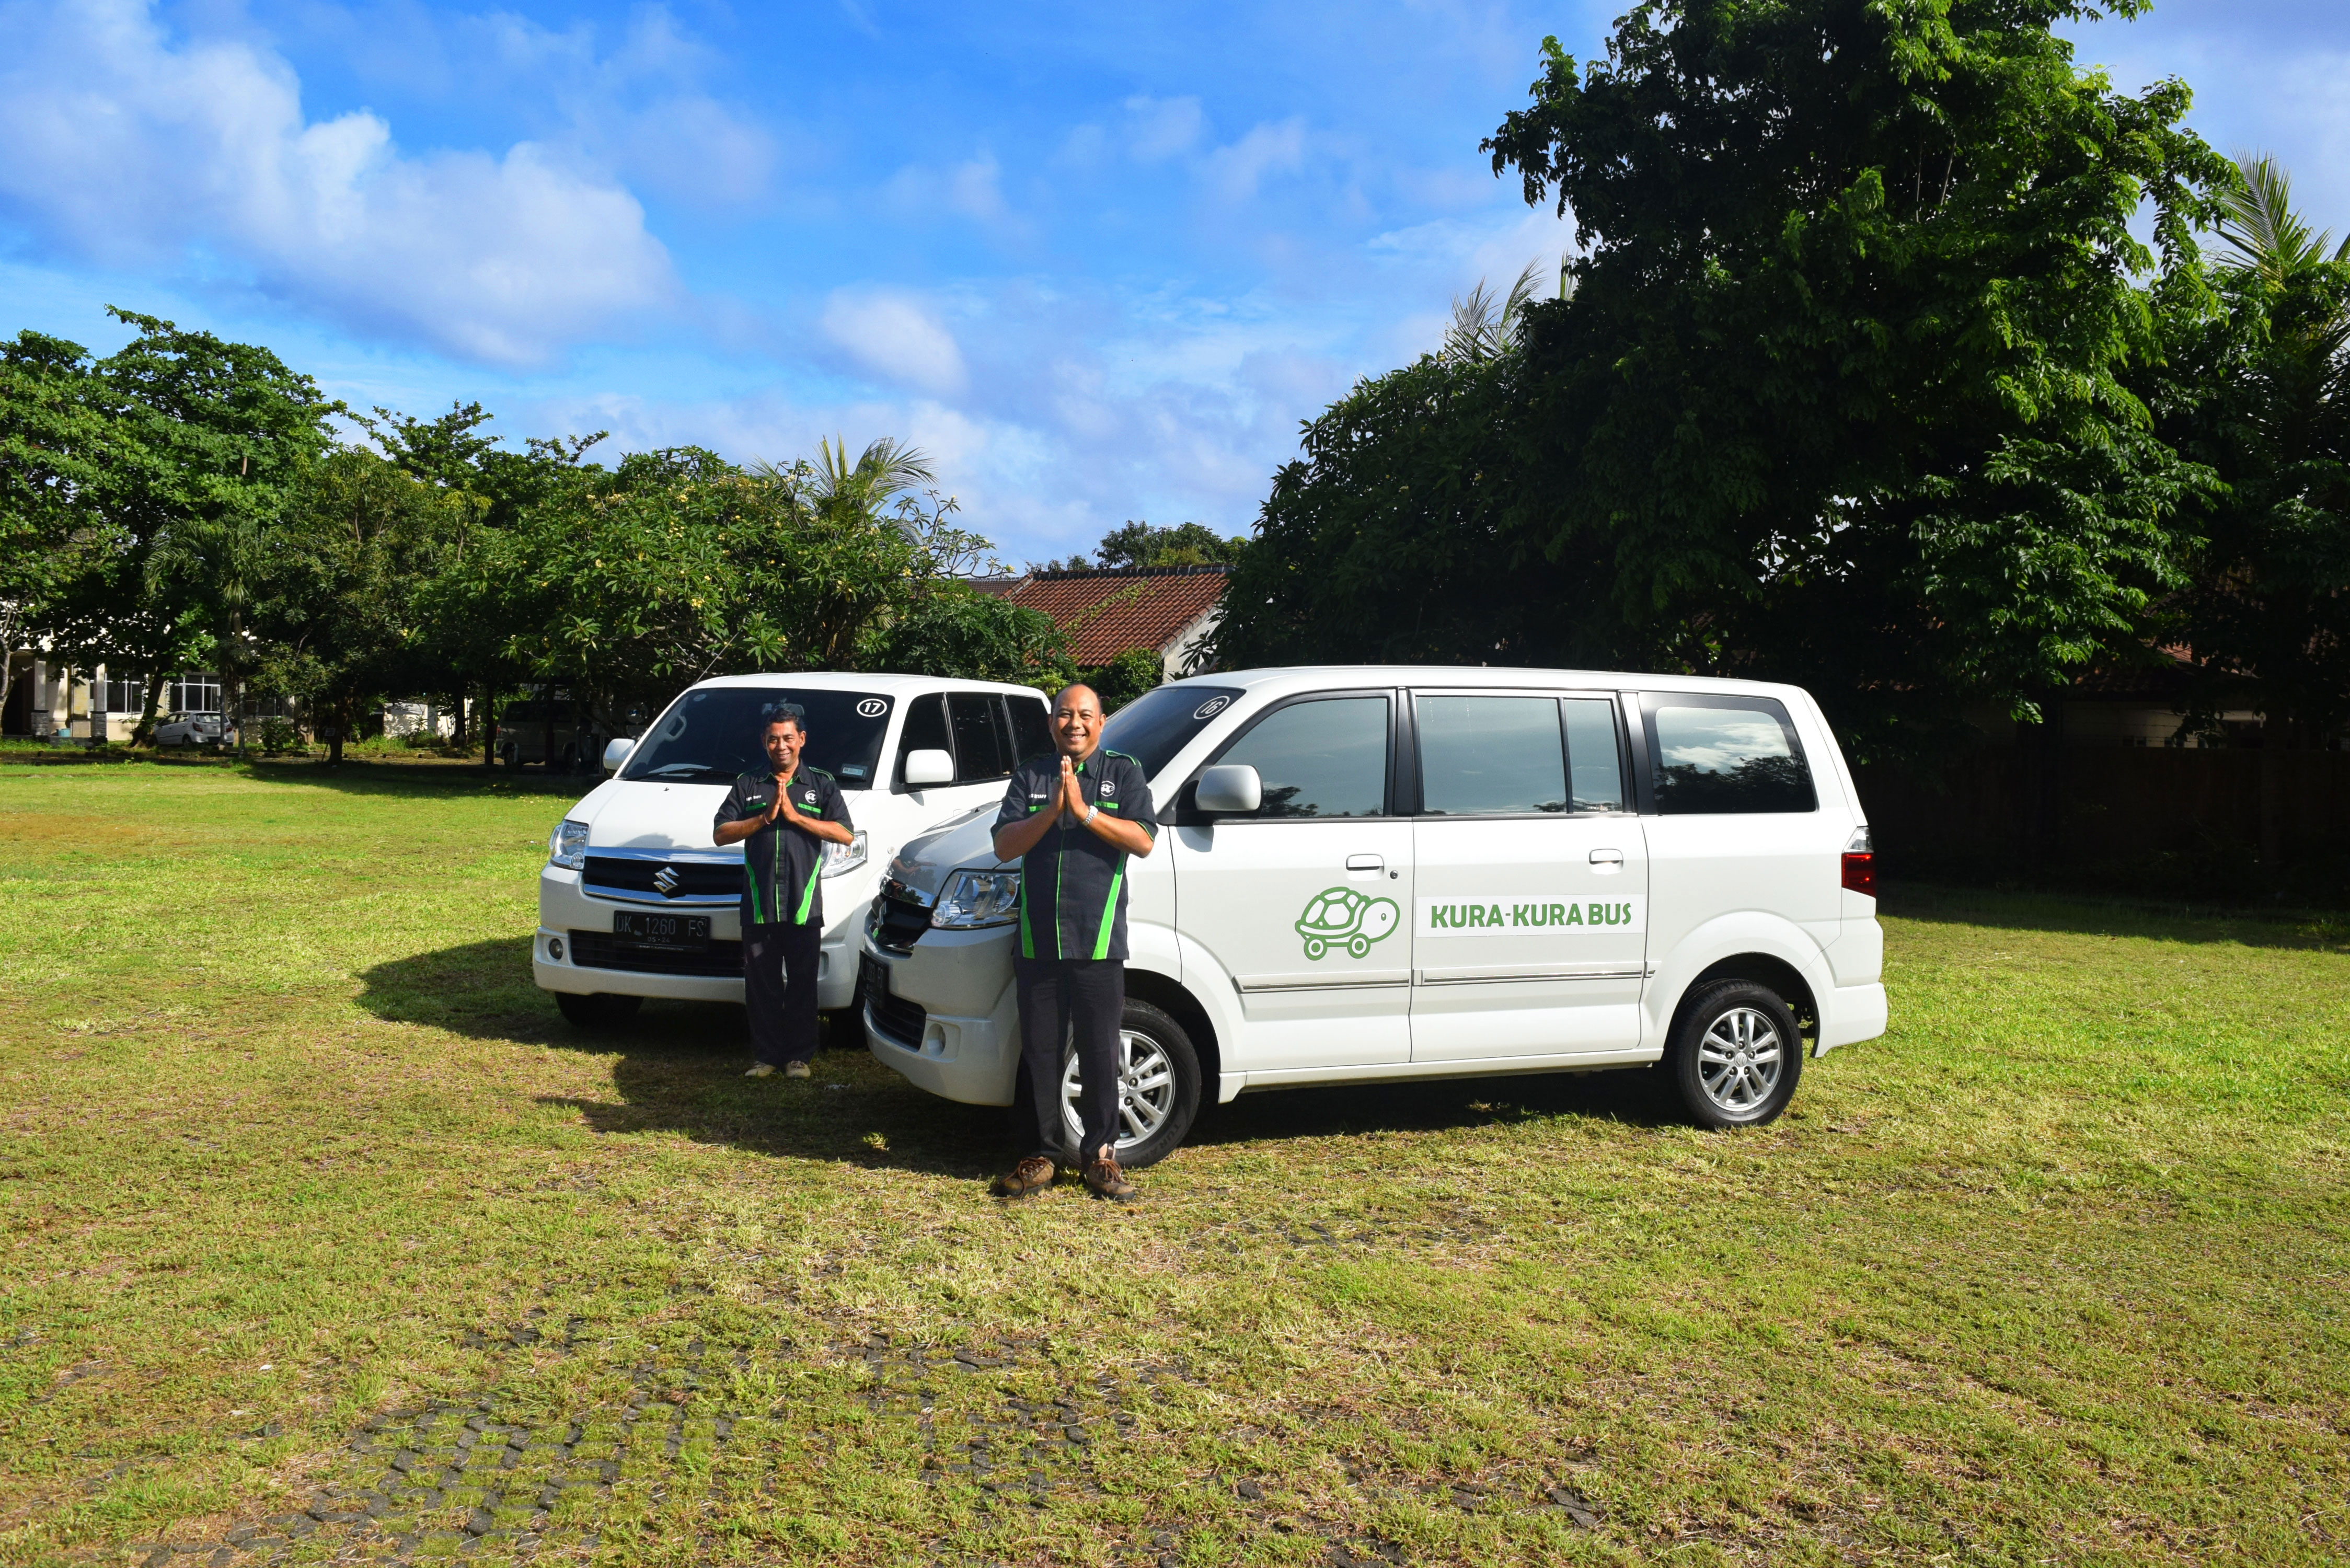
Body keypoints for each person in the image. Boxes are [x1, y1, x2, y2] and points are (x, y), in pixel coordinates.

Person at [989, 683, 1159, 1201]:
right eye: (1064, 715)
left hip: (1098, 940)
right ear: (1050, 723)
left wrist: (1084, 811)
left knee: (1099, 1051)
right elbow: (1002, 846)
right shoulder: (1031, 775)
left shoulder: (1124, 772)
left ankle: (1100, 1158)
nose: (1074, 724)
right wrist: (1052, 811)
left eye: (1085, 715)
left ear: (1101, 723)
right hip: (1038, 942)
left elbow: (1144, 841)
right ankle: (1040, 1156)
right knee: (1041, 1051)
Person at [713, 704, 856, 1080]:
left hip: (802, 903)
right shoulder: (748, 783)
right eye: (774, 738)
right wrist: (762, 819)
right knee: (761, 984)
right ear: (764, 741)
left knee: (802, 983)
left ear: (802, 740)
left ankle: (798, 1058)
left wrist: (796, 818)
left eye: (788, 738)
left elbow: (845, 833)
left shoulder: (821, 783)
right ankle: (765, 1057)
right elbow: (720, 834)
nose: (781, 746)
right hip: (759, 904)